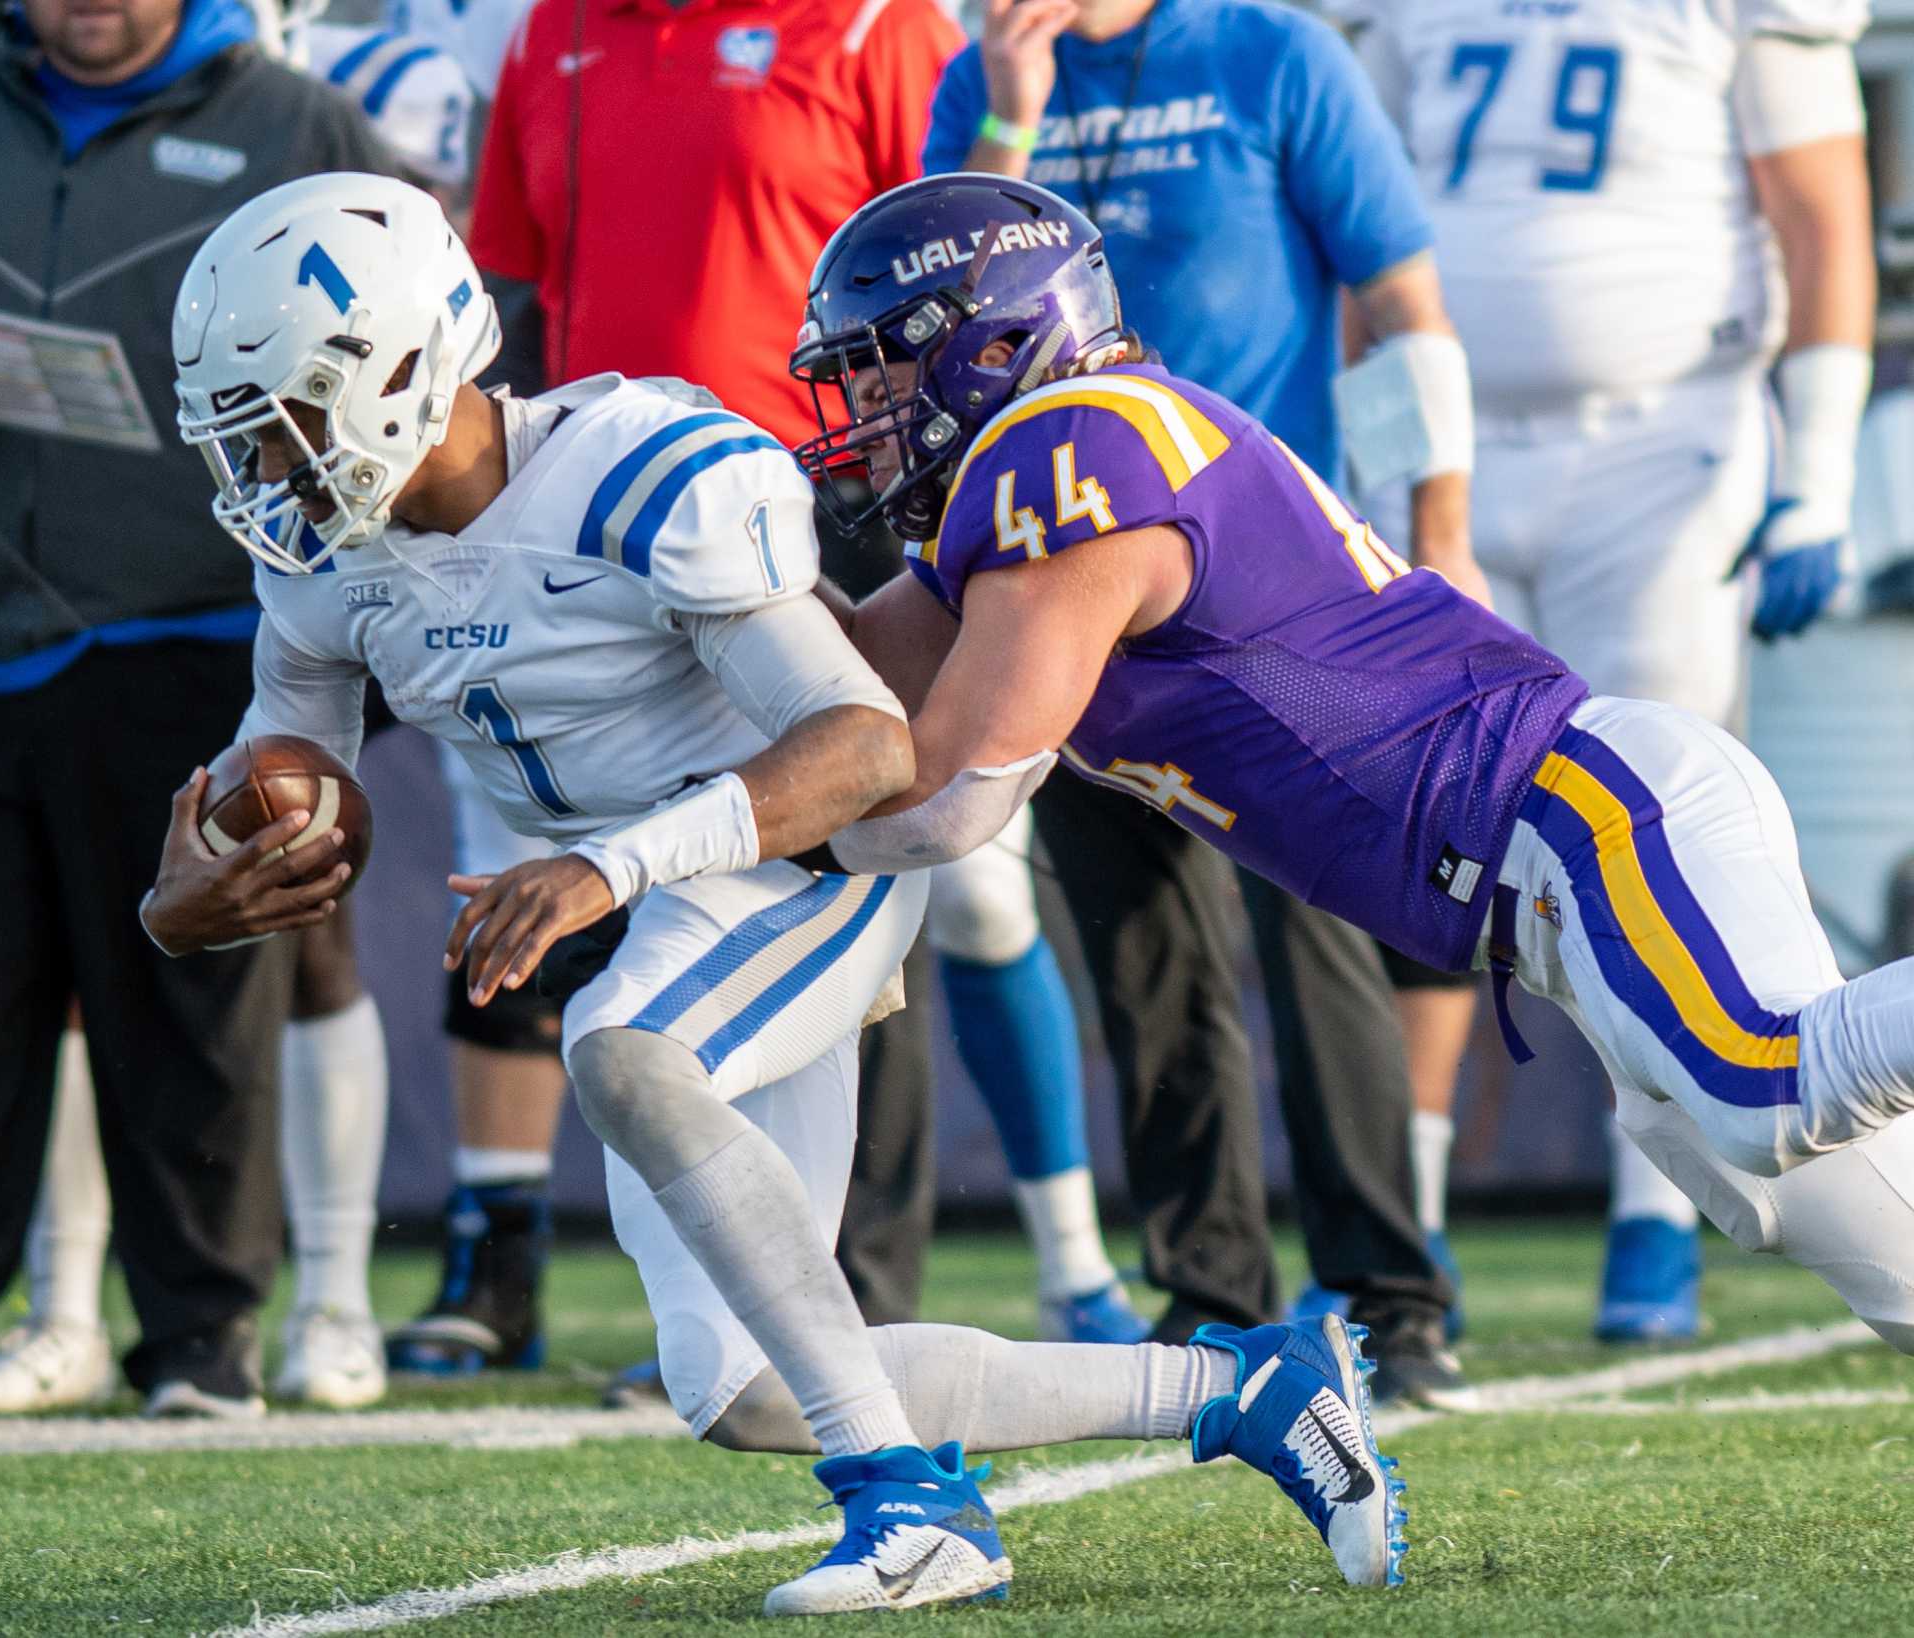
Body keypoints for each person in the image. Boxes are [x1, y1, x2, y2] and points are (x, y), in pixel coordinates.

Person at [147, 171, 1412, 1610]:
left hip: (802, 853)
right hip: (654, 902)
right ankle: (1246, 1384)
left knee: (622, 1049)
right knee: (749, 1380)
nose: (273, 467)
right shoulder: (328, 562)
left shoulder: (639, 472)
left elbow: (866, 746)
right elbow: (297, 744)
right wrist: (231, 855)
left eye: (293, 419)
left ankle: (915, 1507)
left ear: (396, 370)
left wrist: (606, 862)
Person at [791, 172, 1914, 1380]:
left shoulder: (1067, 450)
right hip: (1546, 874)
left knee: (1761, 1085)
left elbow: (952, 795)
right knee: (1799, 1206)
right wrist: (711, 594)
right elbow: (852, 686)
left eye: (881, 365)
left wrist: (726, 836)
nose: (866, 405)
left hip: (1581, 813)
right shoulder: (1045, 475)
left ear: (991, 338)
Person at [470, 0, 1147, 1362]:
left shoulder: (869, 23)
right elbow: (518, 292)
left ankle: (1054, 1258)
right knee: (774, 871)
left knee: (947, 874)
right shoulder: (557, 30)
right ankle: (798, 1290)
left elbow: (963, 238)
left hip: (832, 490)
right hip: (617, 537)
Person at [924, 0, 1475, 1395]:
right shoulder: (974, 77)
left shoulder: (1273, 53)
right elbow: (935, 322)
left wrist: (1442, 523)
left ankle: (1386, 1296)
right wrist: (1009, 103)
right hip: (1069, 580)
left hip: (1268, 585)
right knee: (1146, 953)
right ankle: (1215, 1293)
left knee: (1321, 933)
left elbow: (1402, 303)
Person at [0, 0, 399, 1425]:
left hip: (196, 630)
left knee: (195, 1000)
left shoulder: (298, 125)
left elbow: (412, 344)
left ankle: (201, 1342)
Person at [1336, 0, 1877, 1339]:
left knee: (1650, 848)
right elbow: (1361, 236)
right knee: (1426, 835)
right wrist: (1369, 452)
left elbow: (1821, 215)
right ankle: (1407, 1235)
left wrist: (1814, 477)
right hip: (1449, 452)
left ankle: (1653, 1228)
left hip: (1659, 443)